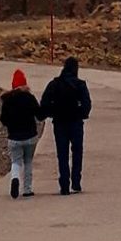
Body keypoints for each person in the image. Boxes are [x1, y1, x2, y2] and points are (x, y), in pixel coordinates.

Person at [39, 56, 91, 195]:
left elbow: (44, 103)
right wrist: (81, 114)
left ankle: (64, 184)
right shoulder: (80, 85)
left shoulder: (54, 84)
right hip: (76, 123)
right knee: (77, 152)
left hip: (60, 123)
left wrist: (51, 113)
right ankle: (76, 182)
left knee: (62, 154)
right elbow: (87, 104)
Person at [0, 68, 42, 199]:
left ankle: (15, 178)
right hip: (30, 136)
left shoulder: (7, 100)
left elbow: (3, 119)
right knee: (28, 161)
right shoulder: (29, 98)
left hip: (14, 137)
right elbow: (39, 115)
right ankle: (27, 189)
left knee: (16, 161)